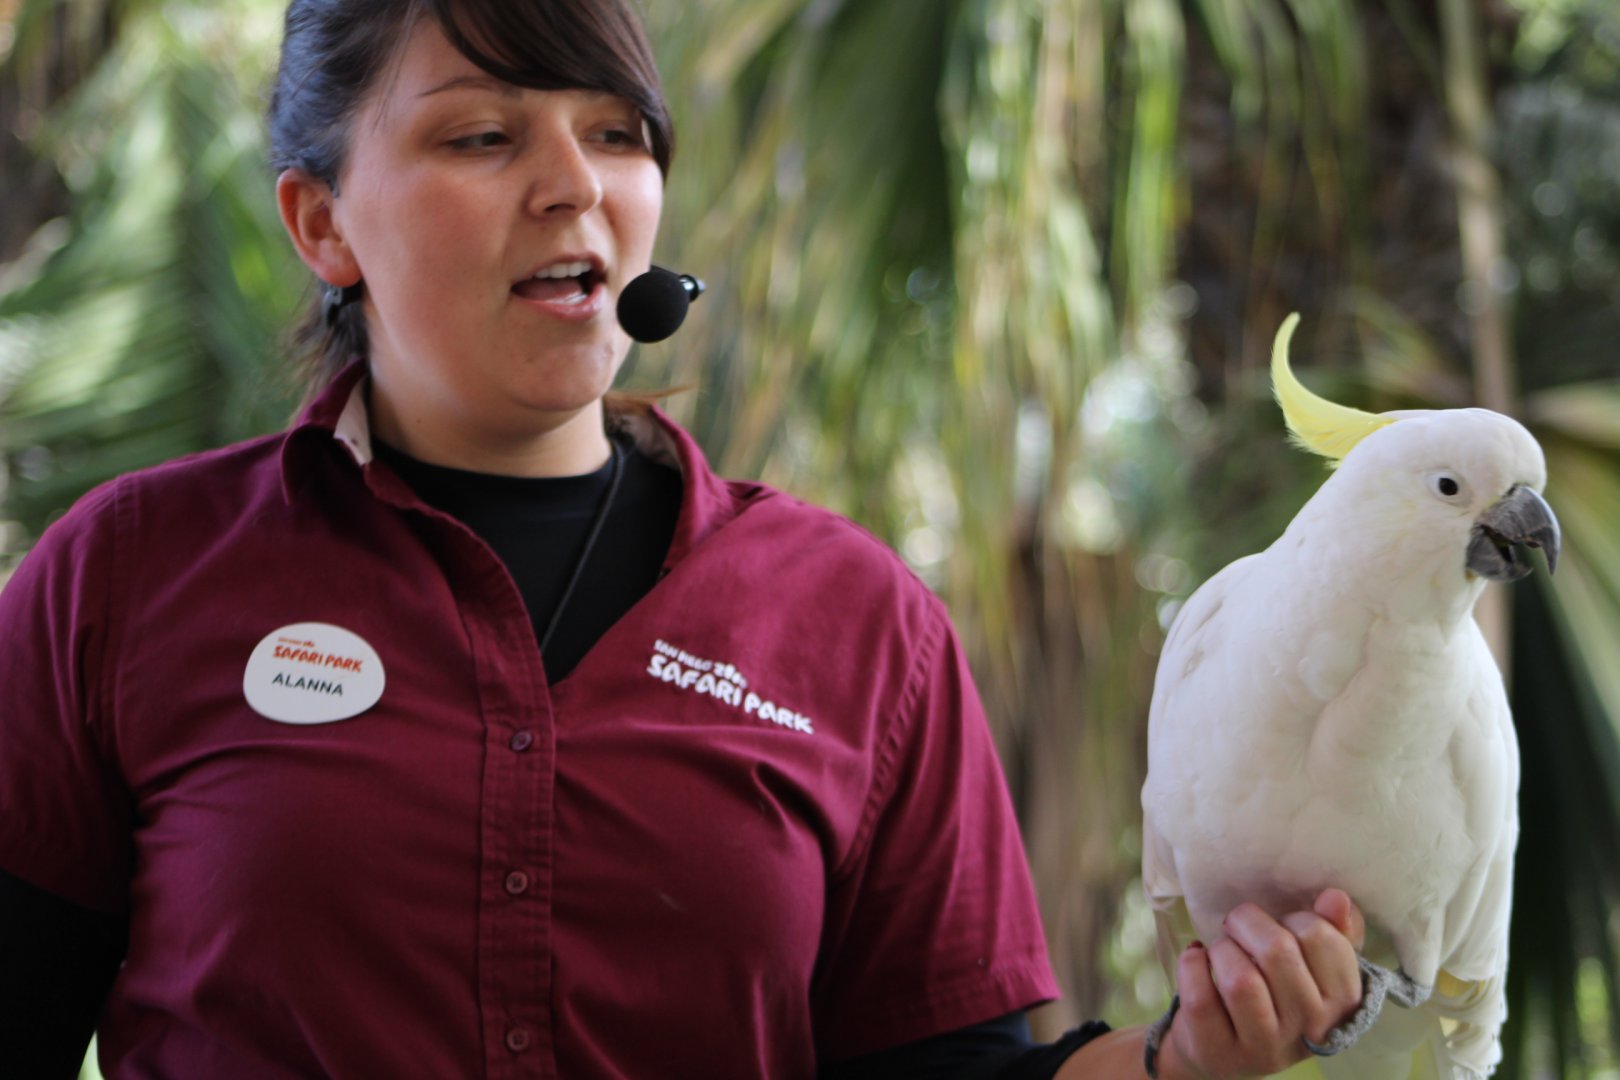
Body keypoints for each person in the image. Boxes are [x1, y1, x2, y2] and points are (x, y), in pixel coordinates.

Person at [0, 0, 1365, 1076]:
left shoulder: (856, 619)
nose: (573, 186)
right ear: (321, 222)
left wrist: (1187, 1061)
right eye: (481, 136)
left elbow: (944, 1075)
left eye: (617, 132)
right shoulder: (124, 577)